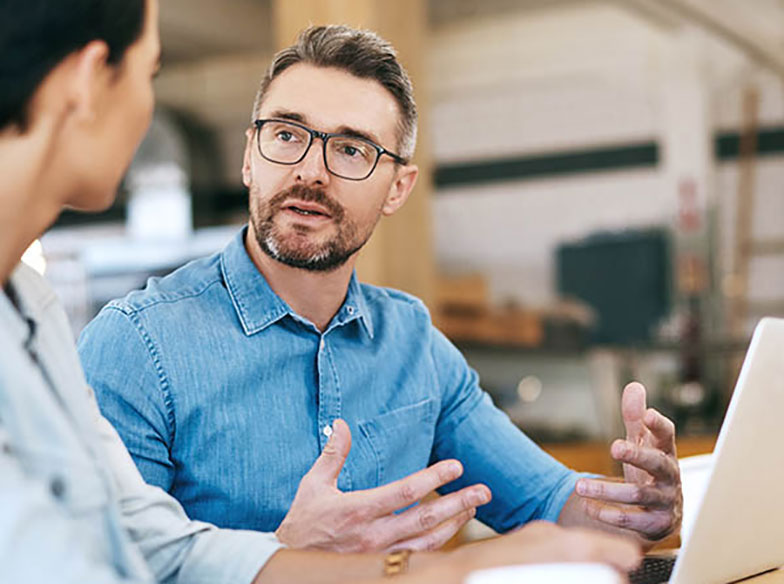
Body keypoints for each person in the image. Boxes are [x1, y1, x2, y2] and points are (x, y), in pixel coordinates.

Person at [0, 0, 645, 582]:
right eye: (287, 134)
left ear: (398, 188)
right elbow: (122, 564)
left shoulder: (413, 341)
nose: (310, 169)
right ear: (250, 156)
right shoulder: (136, 343)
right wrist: (295, 549)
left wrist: (638, 507)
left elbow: (545, 500)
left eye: (352, 149)